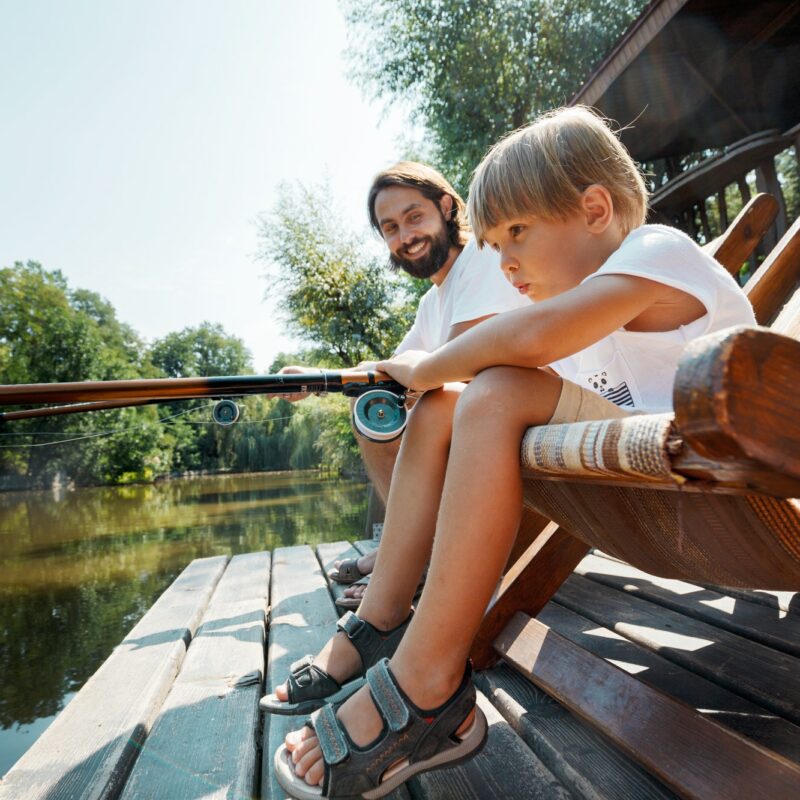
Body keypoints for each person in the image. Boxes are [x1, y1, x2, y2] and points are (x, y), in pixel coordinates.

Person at [271, 106, 756, 799]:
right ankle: (381, 622)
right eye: (493, 243)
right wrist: (423, 378)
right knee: (445, 405)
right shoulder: (585, 315)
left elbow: (529, 340)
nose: (503, 261)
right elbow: (485, 369)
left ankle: (427, 687)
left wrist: (433, 363)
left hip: (725, 499)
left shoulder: (656, 250)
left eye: (517, 233)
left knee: (491, 392)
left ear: (595, 209)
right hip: (648, 505)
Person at [281, 161, 529, 606]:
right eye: (390, 227)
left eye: (414, 217)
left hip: (508, 421)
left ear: (446, 207)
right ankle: (406, 548)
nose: (405, 236)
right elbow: (391, 370)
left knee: (427, 402)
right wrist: (318, 380)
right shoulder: (432, 301)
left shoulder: (483, 258)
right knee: (375, 408)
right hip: (475, 426)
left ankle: (409, 558)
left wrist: (399, 374)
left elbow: (458, 360)